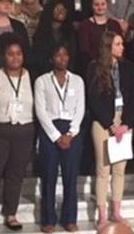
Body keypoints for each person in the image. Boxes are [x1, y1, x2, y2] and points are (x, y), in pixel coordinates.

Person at [0, 34, 35, 231]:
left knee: (16, 174)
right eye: (10, 54)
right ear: (4, 56)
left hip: (25, 132)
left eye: (18, 54)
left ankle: (11, 213)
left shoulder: (33, 76)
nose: (15, 58)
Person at [87, 31, 134, 228]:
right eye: (118, 44)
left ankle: (117, 211)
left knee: (119, 169)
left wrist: (126, 123)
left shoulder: (127, 67)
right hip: (103, 122)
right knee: (103, 169)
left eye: (122, 44)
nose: (122, 47)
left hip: (123, 121)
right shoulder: (95, 67)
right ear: (108, 46)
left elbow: (133, 97)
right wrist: (110, 124)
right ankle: (102, 215)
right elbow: (93, 99)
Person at [34, 45, 86, 232]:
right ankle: (48, 219)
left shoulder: (78, 80)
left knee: (71, 177)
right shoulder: (42, 81)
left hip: (72, 131)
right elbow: (40, 111)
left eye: (65, 54)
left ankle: (70, 218)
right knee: (48, 176)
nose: (62, 58)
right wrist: (57, 136)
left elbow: (80, 109)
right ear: (51, 58)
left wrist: (70, 133)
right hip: (50, 131)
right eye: (58, 55)